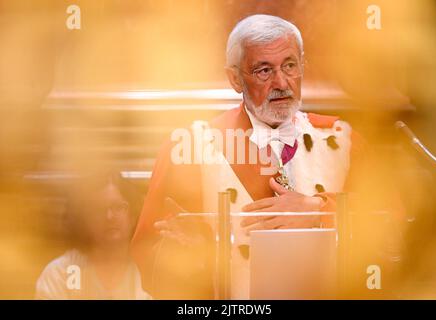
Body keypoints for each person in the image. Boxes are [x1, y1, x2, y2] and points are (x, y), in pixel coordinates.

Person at [131, 14, 384, 299]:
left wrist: (320, 211)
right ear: (235, 79)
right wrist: (187, 260)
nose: (281, 82)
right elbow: (149, 258)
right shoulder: (189, 149)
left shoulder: (345, 141)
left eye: (290, 66)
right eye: (264, 70)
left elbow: (391, 232)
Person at [35, 171, 151, 300]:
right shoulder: (59, 274)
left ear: (133, 216)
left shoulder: (152, 272)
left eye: (118, 207)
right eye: (99, 209)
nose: (109, 217)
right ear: (85, 220)